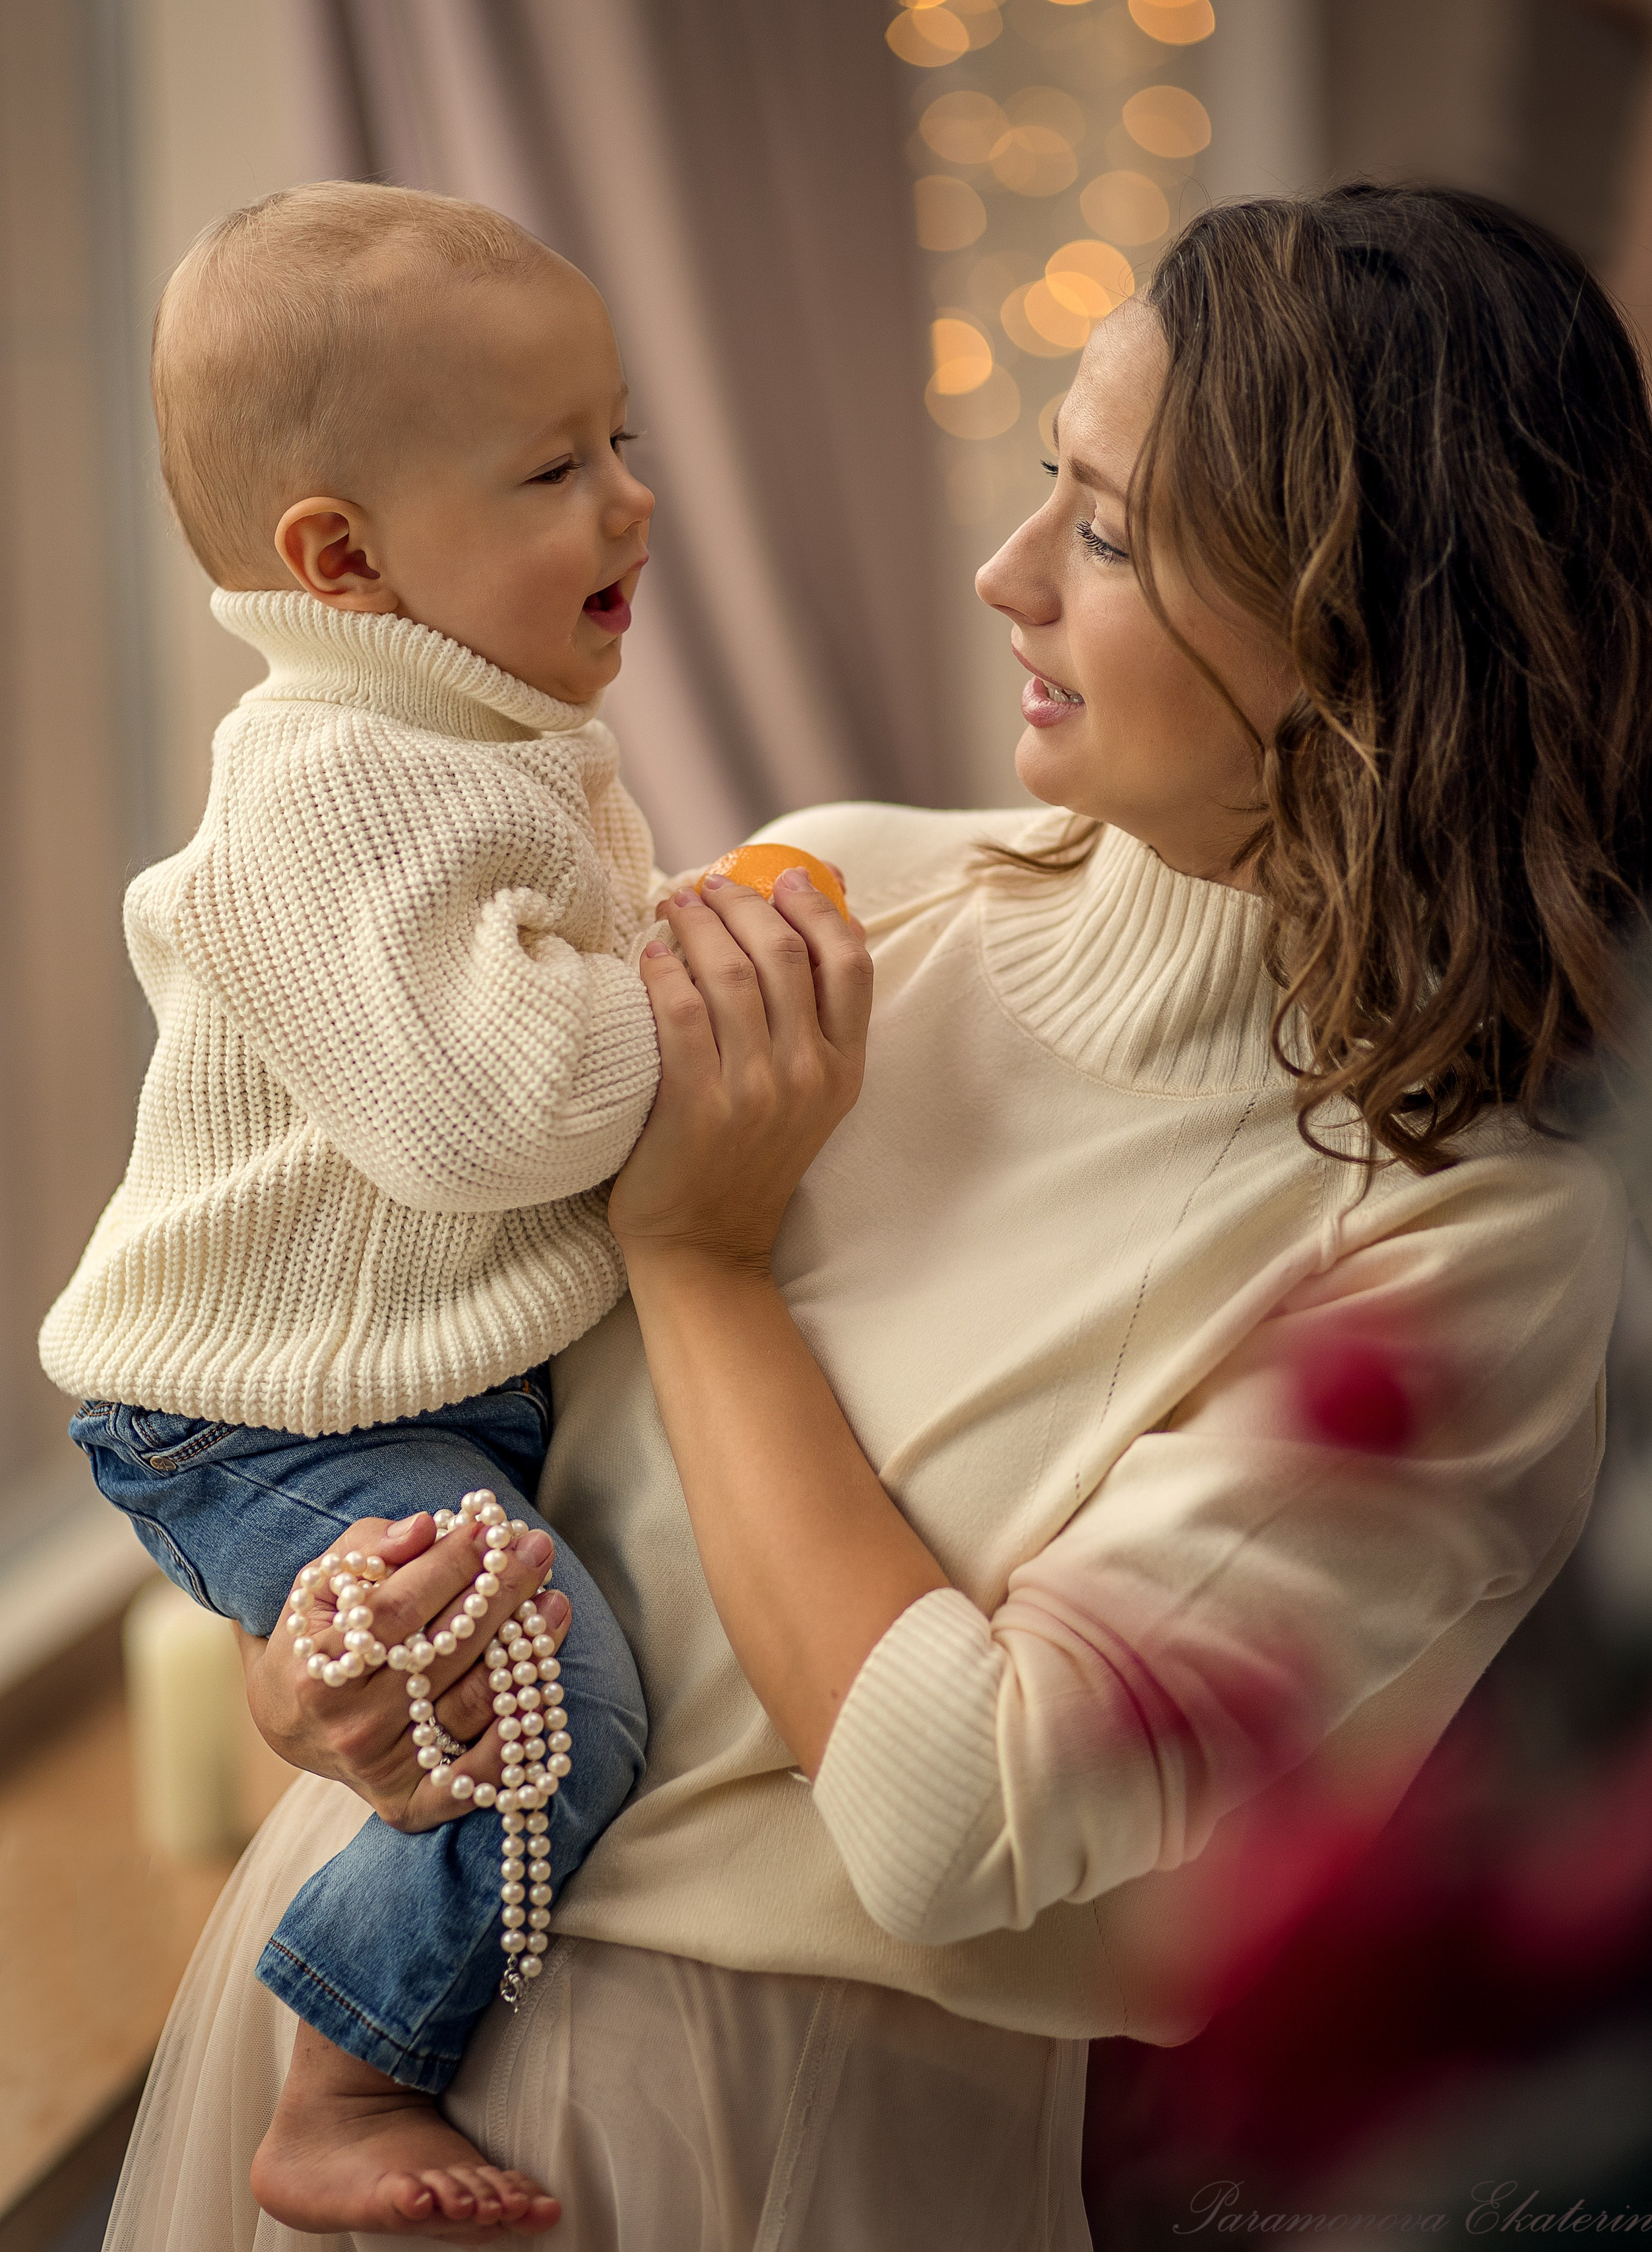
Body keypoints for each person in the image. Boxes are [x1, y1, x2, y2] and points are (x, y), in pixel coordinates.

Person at [106, 184, 1652, 2249]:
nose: (1005, 573)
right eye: (1050, 486)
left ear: (1371, 629)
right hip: (330, 2024)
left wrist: (701, 1260)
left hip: (788, 2148)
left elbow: (953, 1820)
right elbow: (433, 1394)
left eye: (1105, 532)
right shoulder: (835, 899)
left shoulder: (1473, 1246)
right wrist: (323, 1668)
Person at [39, 181, 675, 2237]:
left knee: (549, 1666)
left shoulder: (478, 737)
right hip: (267, 1417)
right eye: (556, 470)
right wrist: (694, 998)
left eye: (622, 439)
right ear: (344, 558)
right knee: (544, 1699)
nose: (632, 501)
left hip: (407, 1384)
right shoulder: (338, 779)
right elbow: (496, 1113)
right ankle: (344, 2080)